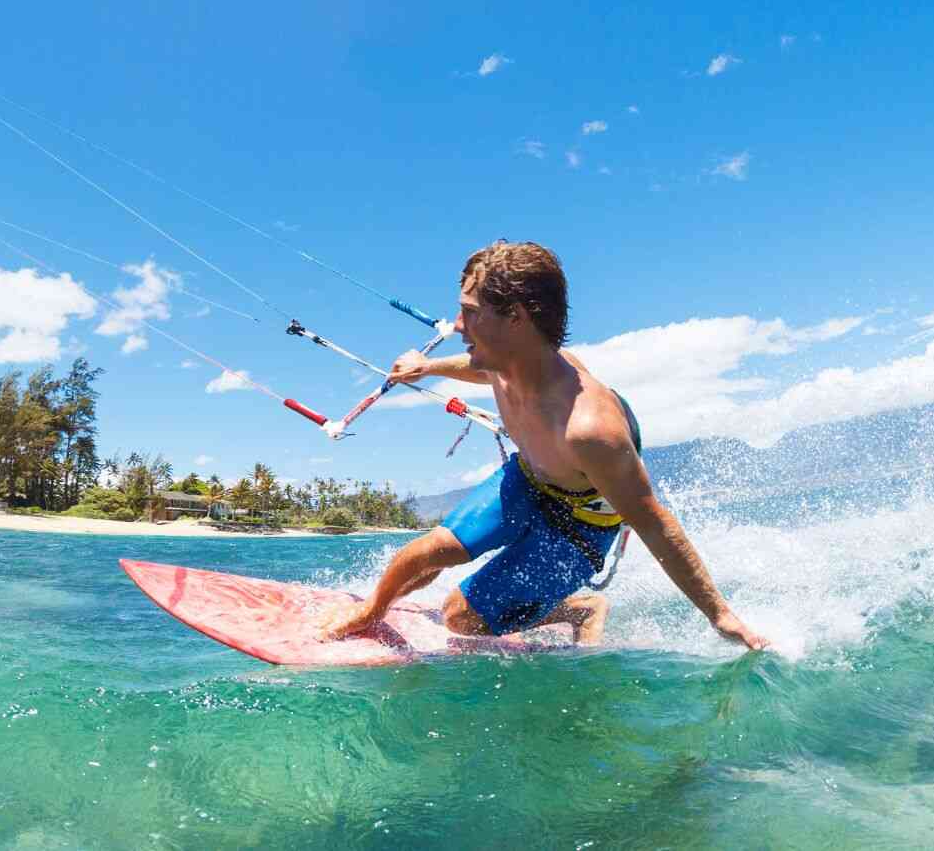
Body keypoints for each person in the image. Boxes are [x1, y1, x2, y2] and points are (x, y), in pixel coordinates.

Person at [321, 241, 768, 650]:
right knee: (428, 552)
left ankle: (581, 608)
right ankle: (371, 611)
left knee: (459, 617)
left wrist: (721, 615)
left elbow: (655, 524)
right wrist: (428, 367)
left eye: (470, 312)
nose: (458, 325)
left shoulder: (589, 430)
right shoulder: (504, 359)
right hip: (530, 478)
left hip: (579, 527)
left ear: (516, 316)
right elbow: (482, 368)